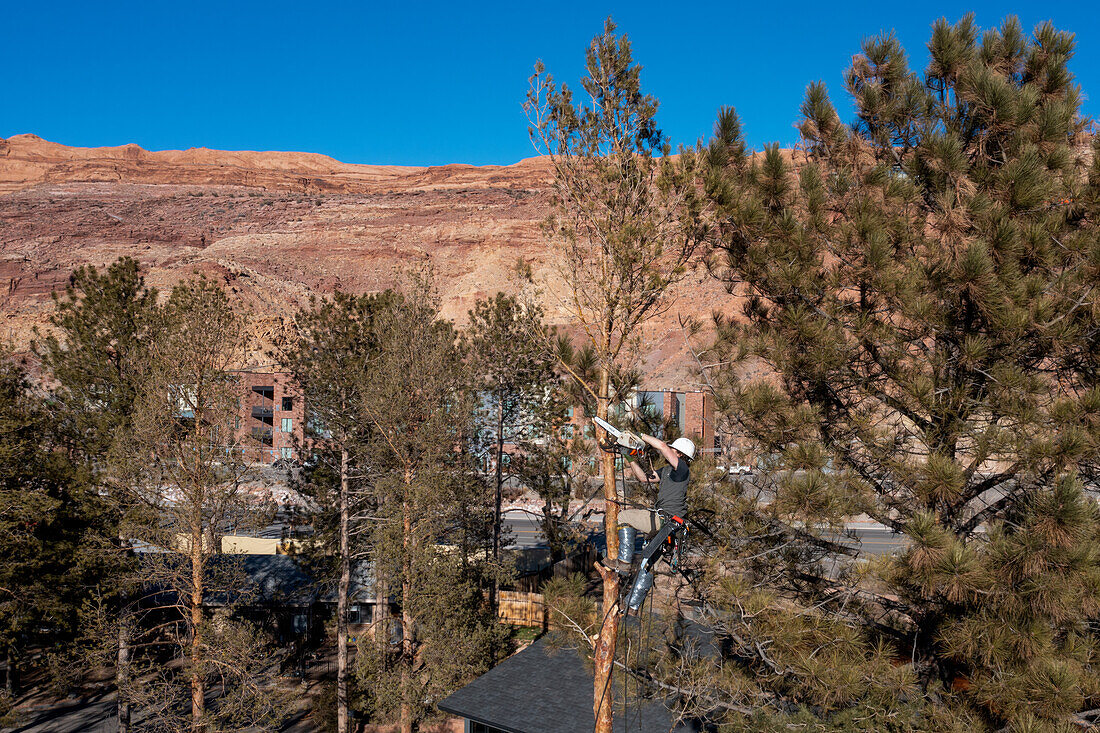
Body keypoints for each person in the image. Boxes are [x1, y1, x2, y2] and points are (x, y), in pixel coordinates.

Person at [602, 433, 696, 576]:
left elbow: (663, 446)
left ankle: (624, 562)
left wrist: (638, 435)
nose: (669, 452)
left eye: (674, 450)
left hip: (666, 521)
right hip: (667, 525)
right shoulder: (666, 471)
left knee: (623, 516)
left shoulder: (682, 469)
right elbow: (643, 478)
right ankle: (633, 599)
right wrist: (629, 457)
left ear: (681, 455)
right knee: (647, 569)